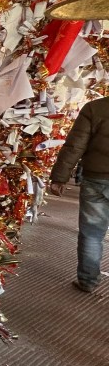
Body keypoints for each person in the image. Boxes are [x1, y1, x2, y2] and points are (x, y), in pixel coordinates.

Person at [49, 96, 109, 293]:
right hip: (96, 178)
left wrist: (60, 177)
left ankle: (88, 281)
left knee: (92, 233)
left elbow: (75, 145)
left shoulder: (95, 108)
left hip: (96, 179)